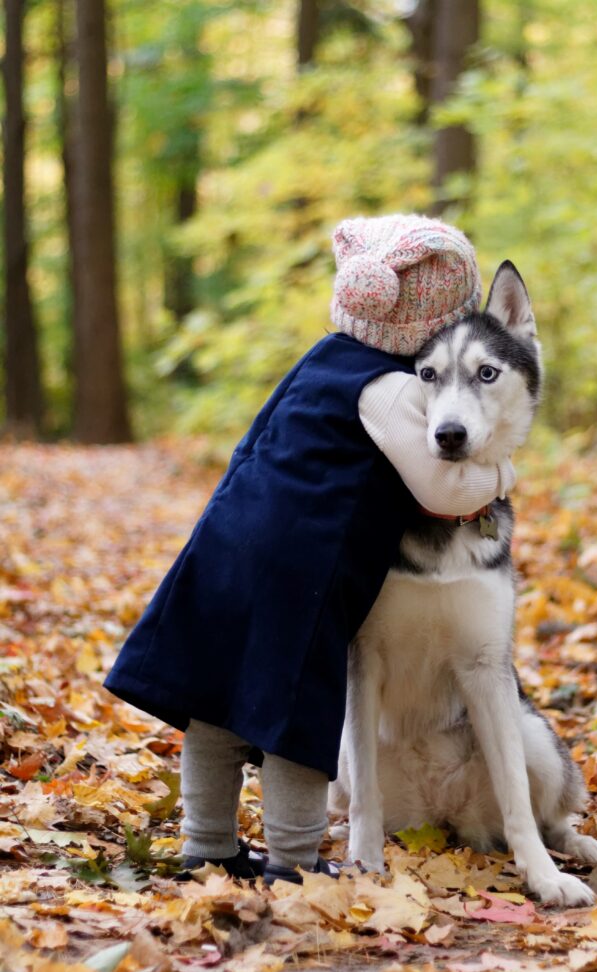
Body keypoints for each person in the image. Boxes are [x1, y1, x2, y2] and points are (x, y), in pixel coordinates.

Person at [104, 214, 517, 885]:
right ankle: (294, 861)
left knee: (212, 707)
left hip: (225, 543)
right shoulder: (394, 390)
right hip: (301, 568)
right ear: (434, 321)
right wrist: (501, 476)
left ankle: (206, 845)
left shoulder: (319, 359)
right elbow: (440, 490)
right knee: (295, 711)